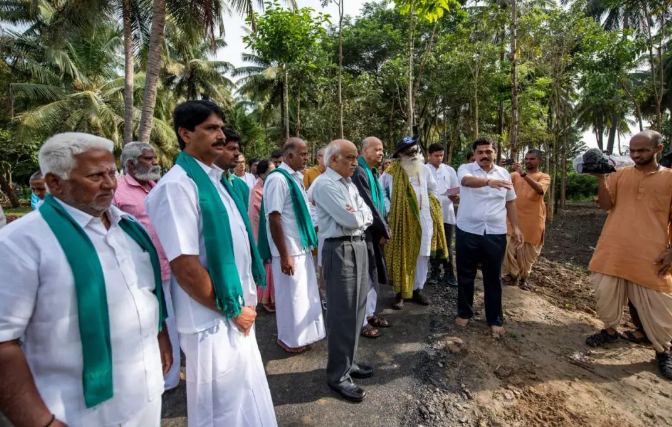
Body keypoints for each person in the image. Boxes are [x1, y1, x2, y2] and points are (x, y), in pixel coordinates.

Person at [0, 133, 172, 427]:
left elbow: (145, 292)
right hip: (76, 410)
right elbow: (3, 342)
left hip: (144, 391)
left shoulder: (126, 227)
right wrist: (40, 422)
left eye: (111, 173)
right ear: (55, 183)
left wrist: (161, 336)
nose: (109, 183)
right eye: (95, 175)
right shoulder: (20, 243)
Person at [145, 100, 277, 426]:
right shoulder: (178, 186)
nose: (220, 135)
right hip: (212, 317)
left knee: (245, 397)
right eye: (211, 128)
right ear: (185, 134)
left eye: (221, 127)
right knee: (222, 410)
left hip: (233, 308)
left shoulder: (216, 181)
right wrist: (232, 310)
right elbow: (186, 267)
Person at [585, 130, 672, 379]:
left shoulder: (670, 179)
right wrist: (602, 179)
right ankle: (610, 331)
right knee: (605, 294)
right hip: (613, 249)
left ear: (658, 149)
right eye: (632, 150)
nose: (635, 155)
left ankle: (663, 350)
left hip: (651, 253)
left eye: (642, 150)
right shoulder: (620, 174)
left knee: (659, 305)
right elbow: (606, 205)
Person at [114, 141, 181, 391]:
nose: (155, 163)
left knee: (172, 323)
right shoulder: (117, 192)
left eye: (154, 158)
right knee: (154, 324)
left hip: (170, 266)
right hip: (142, 272)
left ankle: (171, 376)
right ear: (131, 164)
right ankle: (158, 379)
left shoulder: (156, 186)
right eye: (149, 159)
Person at [313, 139, 374, 402]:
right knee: (341, 313)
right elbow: (350, 219)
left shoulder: (347, 183)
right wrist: (357, 215)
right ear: (333, 159)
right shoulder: (325, 185)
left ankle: (348, 363)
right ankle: (338, 375)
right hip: (339, 250)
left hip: (357, 246)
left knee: (357, 309)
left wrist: (358, 214)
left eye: (355, 158)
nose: (354, 163)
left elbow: (367, 214)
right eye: (349, 158)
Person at [258, 138, 326, 353]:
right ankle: (288, 339)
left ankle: (302, 336)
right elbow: (274, 218)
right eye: (303, 154)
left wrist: (313, 226)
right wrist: (284, 254)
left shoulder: (294, 178)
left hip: (301, 246)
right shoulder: (277, 179)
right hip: (288, 250)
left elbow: (302, 210)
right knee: (291, 297)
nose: (306, 158)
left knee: (303, 295)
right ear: (289, 156)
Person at [455, 137, 524, 336]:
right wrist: (488, 182)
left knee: (493, 277)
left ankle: (495, 319)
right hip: (468, 230)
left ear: (495, 152)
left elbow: (510, 202)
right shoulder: (465, 169)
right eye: (480, 152)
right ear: (474, 154)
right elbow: (466, 182)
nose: (484, 155)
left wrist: (516, 228)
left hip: (495, 232)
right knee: (465, 273)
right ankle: (464, 313)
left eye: (488, 151)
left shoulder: (504, 174)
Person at [381, 136, 447, 310]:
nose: (414, 155)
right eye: (409, 152)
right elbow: (380, 192)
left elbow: (433, 189)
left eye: (415, 151)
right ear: (401, 154)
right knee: (402, 255)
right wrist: (389, 208)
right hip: (400, 222)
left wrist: (432, 205)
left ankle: (418, 289)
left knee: (422, 256)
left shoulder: (425, 170)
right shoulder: (391, 171)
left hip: (424, 220)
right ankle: (400, 292)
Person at [352, 136, 391, 339]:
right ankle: (363, 318)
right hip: (367, 230)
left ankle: (371, 312)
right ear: (364, 151)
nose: (380, 153)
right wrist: (383, 230)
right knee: (366, 274)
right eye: (376, 149)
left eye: (382, 149)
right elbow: (368, 204)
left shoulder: (372, 172)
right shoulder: (359, 172)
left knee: (373, 271)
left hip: (374, 229)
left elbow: (379, 203)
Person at [501, 149, 551, 290]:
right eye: (527, 158)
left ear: (539, 161)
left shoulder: (544, 176)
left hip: (532, 221)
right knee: (507, 247)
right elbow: (502, 182)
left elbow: (540, 190)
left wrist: (523, 174)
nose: (528, 161)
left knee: (528, 252)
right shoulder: (514, 175)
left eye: (532, 159)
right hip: (513, 219)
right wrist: (501, 169)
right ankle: (512, 275)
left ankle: (524, 277)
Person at [426, 143, 459, 287]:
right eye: (436, 156)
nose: (439, 158)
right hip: (430, 214)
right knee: (432, 244)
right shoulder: (424, 170)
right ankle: (434, 272)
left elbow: (455, 189)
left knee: (447, 244)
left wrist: (455, 196)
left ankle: (449, 273)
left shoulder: (449, 170)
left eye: (441, 155)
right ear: (429, 155)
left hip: (447, 213)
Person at [249, 159, 277, 313]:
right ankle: (266, 297)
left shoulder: (270, 186)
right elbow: (255, 215)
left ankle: (274, 297)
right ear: (261, 174)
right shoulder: (256, 191)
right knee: (267, 264)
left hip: (272, 230)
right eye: (270, 171)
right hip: (262, 233)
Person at [215, 128, 251, 209]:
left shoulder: (242, 186)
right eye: (231, 148)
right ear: (217, 149)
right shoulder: (204, 183)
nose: (237, 153)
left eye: (237, 149)